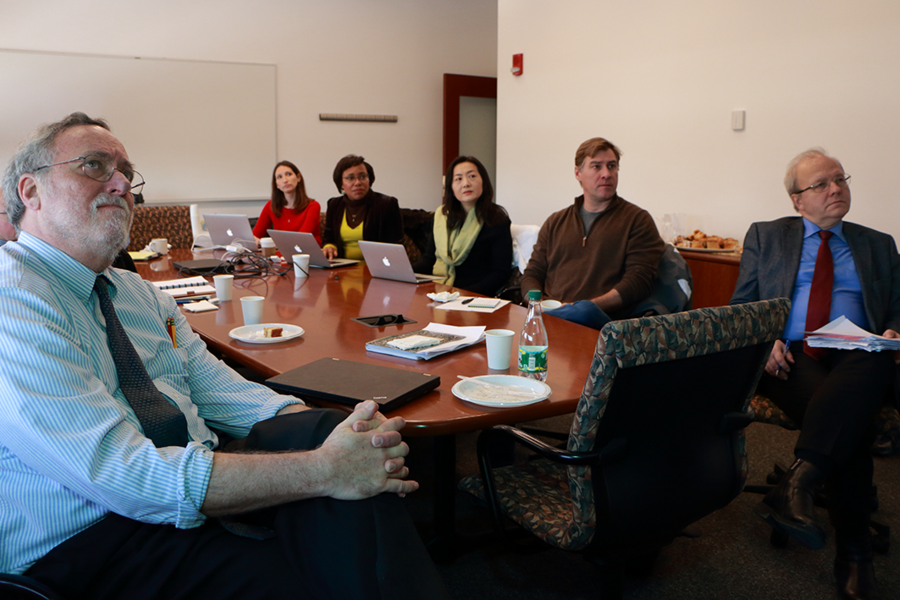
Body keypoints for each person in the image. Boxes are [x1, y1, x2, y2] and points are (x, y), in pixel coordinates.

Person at [0, 113, 449, 599]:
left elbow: (218, 388)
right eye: (94, 166)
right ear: (31, 192)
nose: (121, 184)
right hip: (93, 540)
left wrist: (340, 437)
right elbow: (120, 474)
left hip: (186, 474)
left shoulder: (138, 293)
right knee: (313, 562)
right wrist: (325, 468)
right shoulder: (14, 298)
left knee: (324, 430)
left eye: (127, 173)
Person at [730, 148, 900, 600]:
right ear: (796, 201)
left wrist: (893, 329)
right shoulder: (766, 237)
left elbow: (899, 309)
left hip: (858, 353)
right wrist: (764, 341)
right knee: (852, 423)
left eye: (840, 179)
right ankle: (855, 554)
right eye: (821, 184)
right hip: (790, 357)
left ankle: (797, 482)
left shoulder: (877, 243)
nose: (836, 189)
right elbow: (740, 309)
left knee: (869, 364)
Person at [520, 137, 665, 329]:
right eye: (596, 167)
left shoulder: (637, 220)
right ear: (578, 173)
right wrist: (536, 305)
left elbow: (639, 281)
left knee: (585, 312)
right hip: (550, 318)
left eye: (612, 166)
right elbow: (532, 273)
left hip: (601, 325)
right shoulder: (555, 221)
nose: (606, 174)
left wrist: (585, 307)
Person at [412, 156, 512, 296]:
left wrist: (463, 295)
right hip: (440, 293)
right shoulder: (442, 216)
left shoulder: (497, 219)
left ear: (483, 181)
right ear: (451, 187)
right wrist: (405, 273)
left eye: (472, 176)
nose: (466, 183)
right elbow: (429, 259)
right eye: (458, 179)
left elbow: (500, 273)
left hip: (475, 297)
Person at [321, 154, 403, 261]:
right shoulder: (334, 204)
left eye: (362, 177)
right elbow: (329, 238)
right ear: (341, 184)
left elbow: (395, 246)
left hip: (375, 269)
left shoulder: (386, 204)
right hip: (341, 268)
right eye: (350, 178)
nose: (358, 183)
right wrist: (329, 247)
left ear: (369, 179)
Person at [252, 160, 322, 245]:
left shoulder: (313, 206)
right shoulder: (271, 205)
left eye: (288, 174)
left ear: (298, 177)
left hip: (306, 255)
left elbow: (300, 240)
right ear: (277, 184)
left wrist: (268, 243)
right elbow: (255, 236)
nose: (285, 180)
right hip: (279, 256)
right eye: (279, 177)